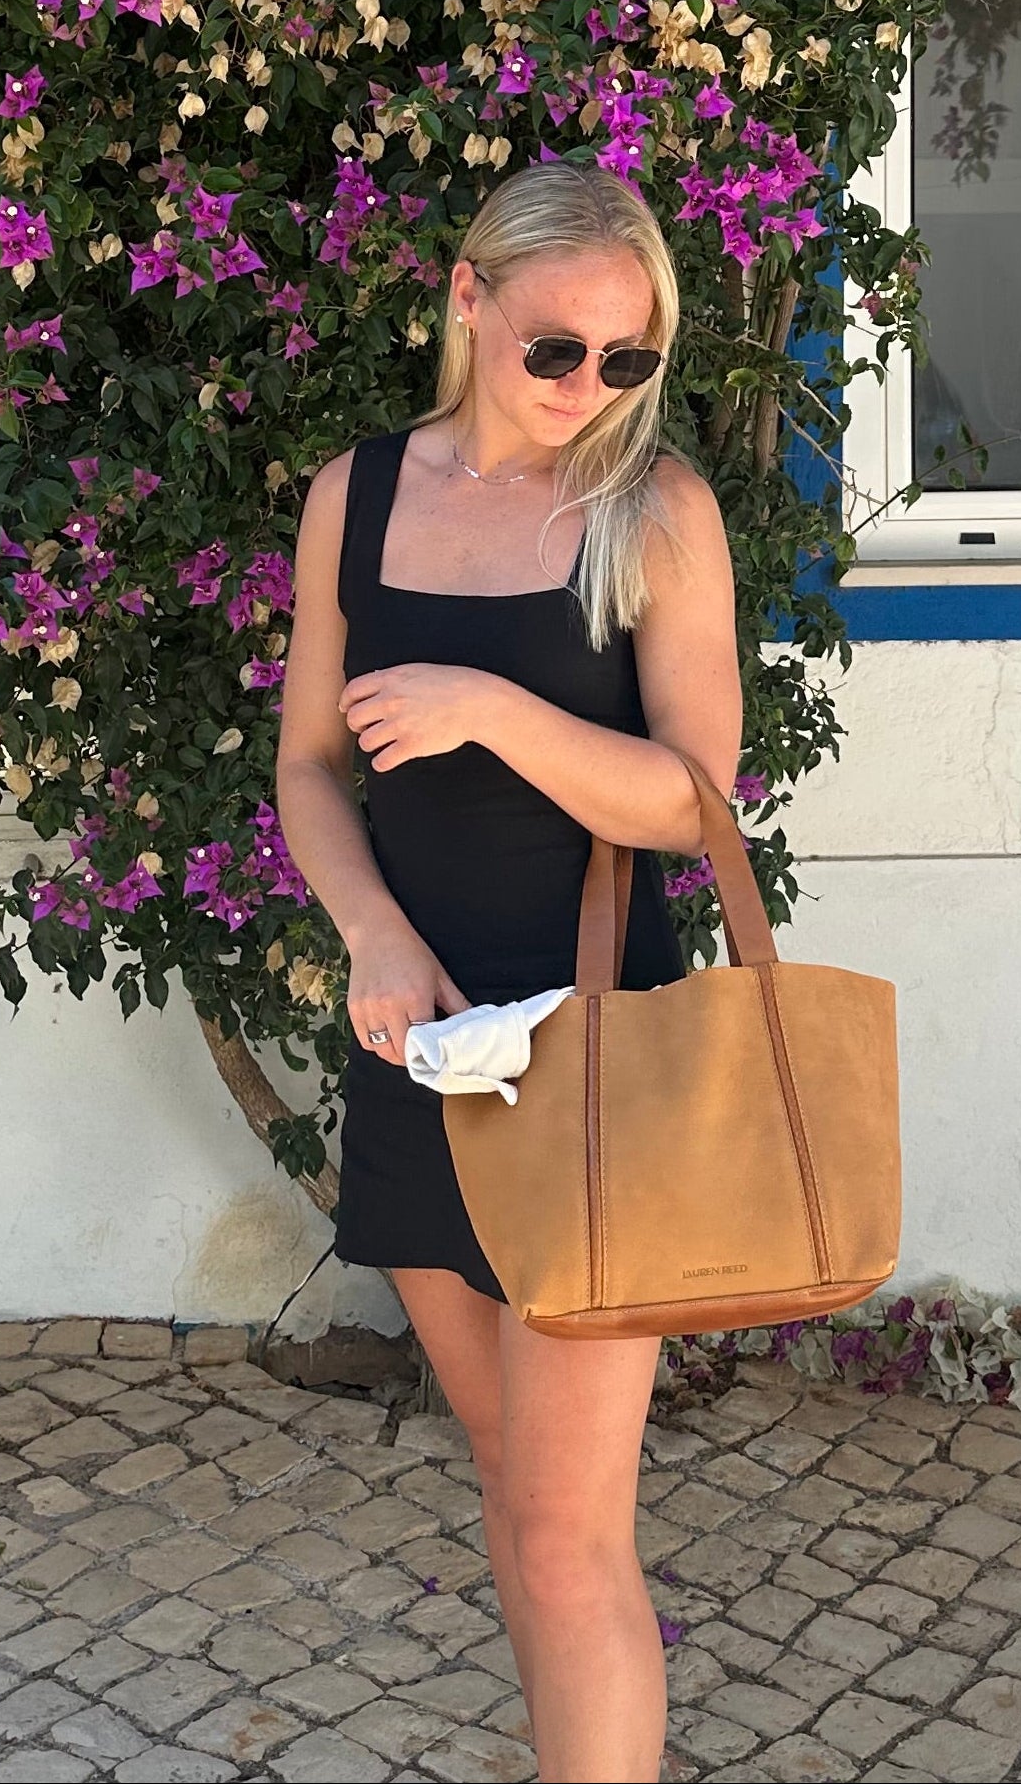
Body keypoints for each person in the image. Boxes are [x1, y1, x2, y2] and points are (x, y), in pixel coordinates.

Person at [276, 161, 742, 1784]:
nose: (589, 392)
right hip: (420, 1044)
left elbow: (695, 805)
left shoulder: (654, 508)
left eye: (627, 361)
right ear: (467, 301)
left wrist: (503, 715)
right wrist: (373, 932)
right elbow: (313, 775)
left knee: (563, 1529)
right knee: (503, 1469)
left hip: (599, 1051)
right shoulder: (361, 496)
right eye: (558, 352)